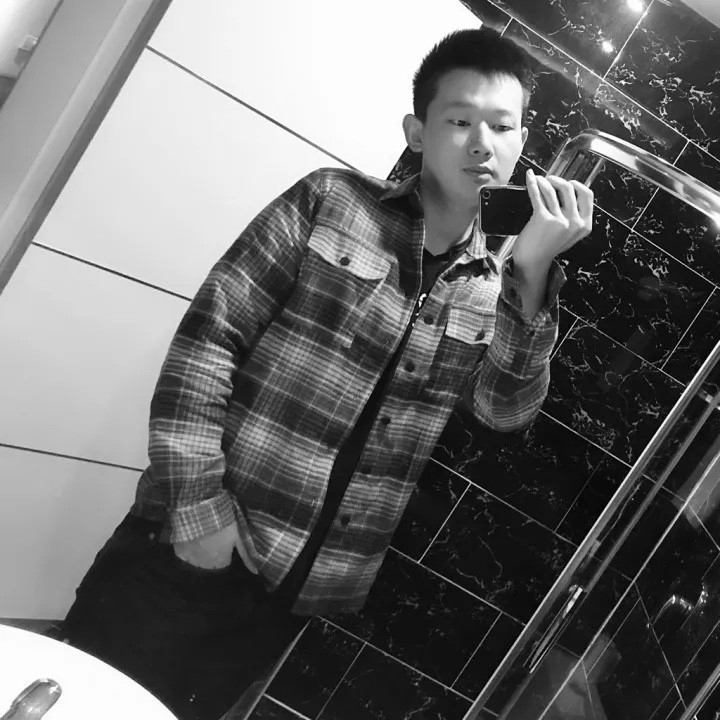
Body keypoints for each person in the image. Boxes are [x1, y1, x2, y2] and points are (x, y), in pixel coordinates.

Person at [60, 26, 593, 720]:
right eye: (460, 121)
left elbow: (504, 411)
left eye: (501, 125)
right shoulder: (331, 202)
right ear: (417, 131)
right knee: (80, 702)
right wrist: (198, 514)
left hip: (297, 591)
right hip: (188, 545)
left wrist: (532, 272)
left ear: (523, 142)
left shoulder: (497, 285)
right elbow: (207, 344)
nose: (481, 144)